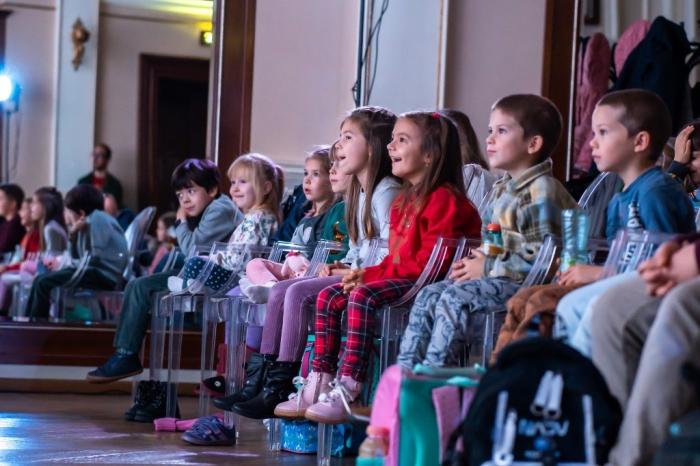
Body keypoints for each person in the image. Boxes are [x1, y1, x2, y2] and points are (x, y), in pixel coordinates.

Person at [396, 94, 577, 371]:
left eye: (501, 131)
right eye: (490, 130)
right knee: (429, 294)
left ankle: (433, 378)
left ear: (533, 144)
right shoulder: (502, 188)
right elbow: (492, 240)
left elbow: (541, 261)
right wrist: (475, 259)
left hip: (526, 286)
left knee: (454, 299)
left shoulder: (542, 191)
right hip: (498, 275)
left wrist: (487, 266)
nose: (490, 139)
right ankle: (405, 374)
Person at [86, 158, 242, 386]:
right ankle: (127, 349)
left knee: (139, 286)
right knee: (147, 279)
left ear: (212, 190)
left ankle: (126, 354)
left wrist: (180, 222)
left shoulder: (220, 208)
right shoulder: (214, 207)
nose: (185, 199)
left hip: (220, 279)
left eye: (191, 191)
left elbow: (192, 249)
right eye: (180, 194)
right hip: (207, 272)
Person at [26, 185, 129, 318]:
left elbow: (94, 257)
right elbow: (75, 257)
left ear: (81, 213)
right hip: (93, 271)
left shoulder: (98, 219)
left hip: (103, 275)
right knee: (39, 280)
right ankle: (28, 321)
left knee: (43, 283)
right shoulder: (86, 224)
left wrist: (68, 266)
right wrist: (73, 236)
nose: (66, 215)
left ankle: (37, 325)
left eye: (68, 211)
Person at [78, 143, 124, 207]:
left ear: (107, 159)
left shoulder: (115, 184)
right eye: (94, 154)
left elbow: (116, 207)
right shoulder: (82, 182)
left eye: (99, 155)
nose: (95, 158)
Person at [0, 184, 26, 254]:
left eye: (0, 199)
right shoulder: (3, 223)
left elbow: (3, 248)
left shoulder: (18, 224)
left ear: (13, 204)